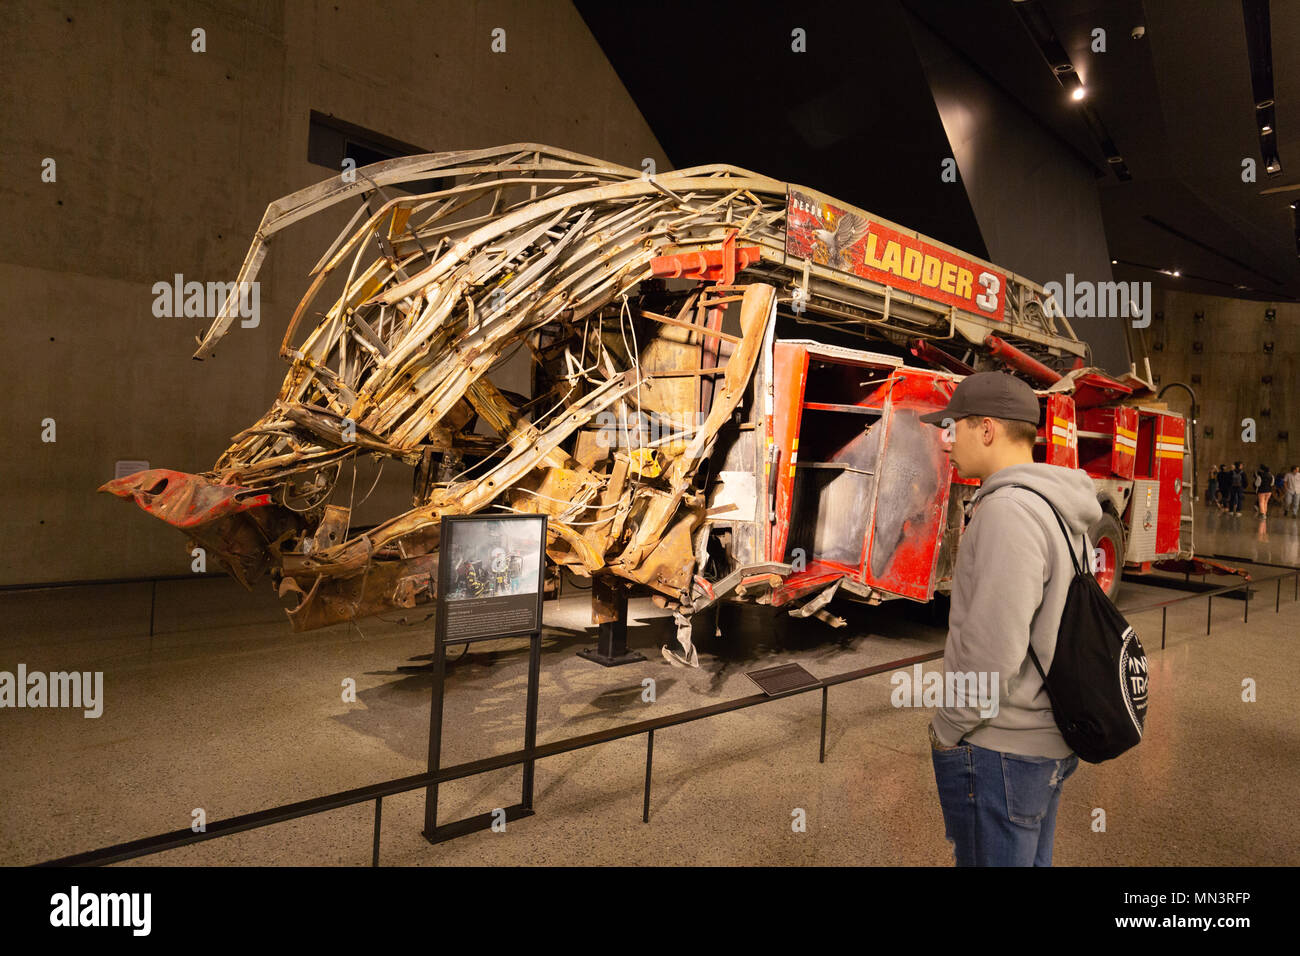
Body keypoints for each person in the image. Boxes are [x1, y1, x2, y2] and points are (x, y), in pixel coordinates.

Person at [919, 372, 1094, 867]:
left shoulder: (1007, 511)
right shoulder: (1057, 505)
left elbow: (995, 649)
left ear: (987, 429)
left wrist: (948, 728)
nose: (947, 442)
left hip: (1001, 749)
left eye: (954, 428)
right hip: (1045, 740)